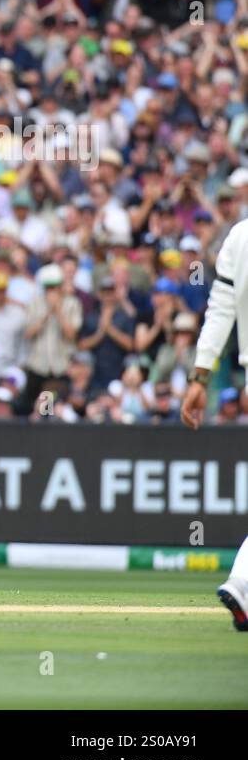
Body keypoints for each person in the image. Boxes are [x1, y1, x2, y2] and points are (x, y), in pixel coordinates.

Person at [179, 216, 248, 632]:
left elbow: (220, 306)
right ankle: (242, 582)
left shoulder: (240, 234)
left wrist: (201, 374)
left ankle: (243, 585)